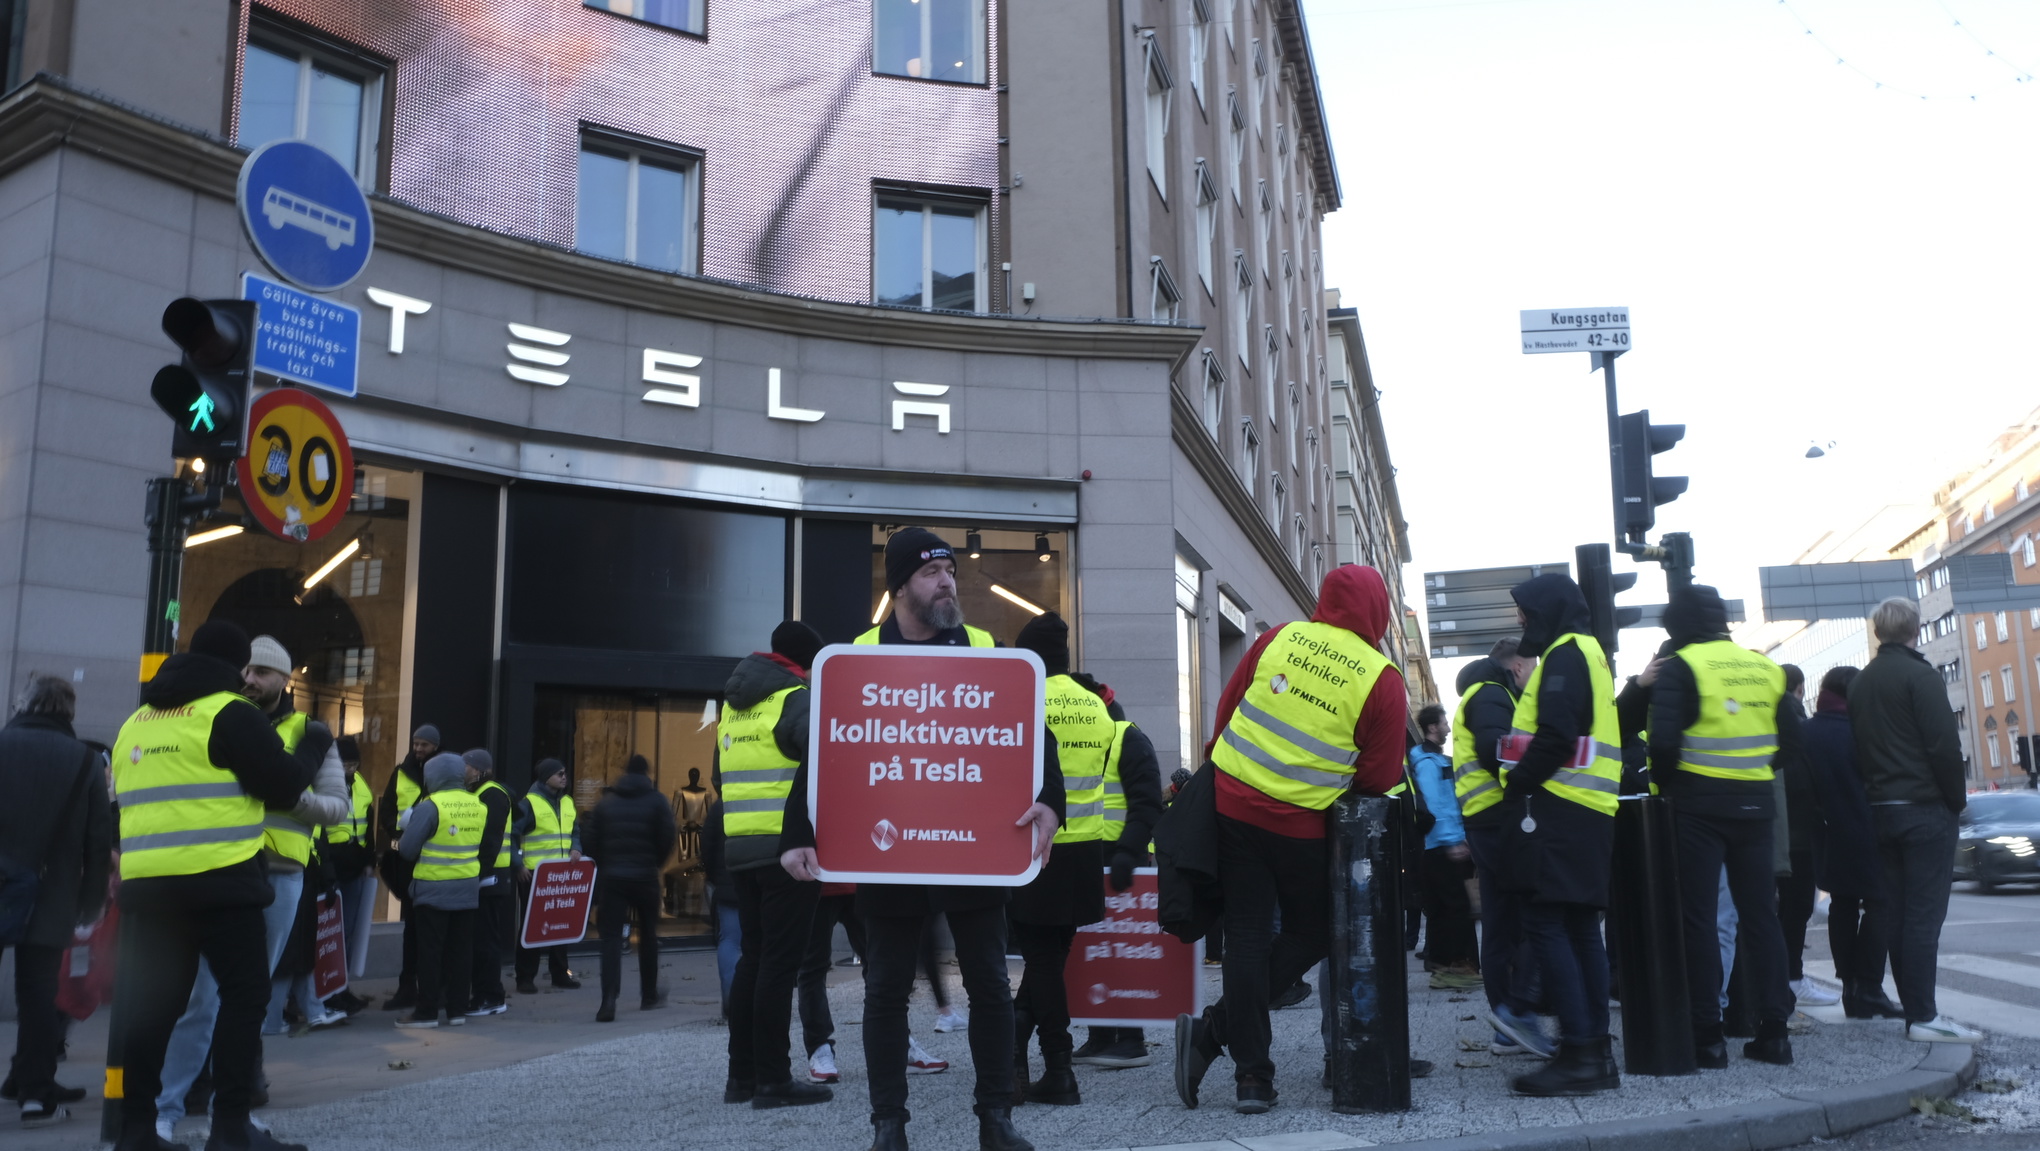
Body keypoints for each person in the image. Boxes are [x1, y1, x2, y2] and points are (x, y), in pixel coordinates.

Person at [781, 527, 1064, 1151]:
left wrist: (1051, 801)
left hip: (974, 846)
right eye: (934, 572)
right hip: (892, 849)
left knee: (988, 983)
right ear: (902, 584)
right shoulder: (857, 655)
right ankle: (889, 1125)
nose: (948, 583)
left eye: (952, 572)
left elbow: (1033, 734)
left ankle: (995, 1117)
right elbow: (825, 754)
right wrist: (798, 832)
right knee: (885, 989)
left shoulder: (986, 647)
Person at [1174, 564, 1407, 1115]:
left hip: (1233, 807)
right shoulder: (1381, 676)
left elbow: (1227, 713)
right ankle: (1212, 1033)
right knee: (1313, 931)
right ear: (1379, 611)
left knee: (1247, 936)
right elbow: (1379, 776)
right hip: (1302, 825)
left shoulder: (1279, 638)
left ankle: (1253, 1078)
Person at [107, 619, 328, 1151]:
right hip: (220, 883)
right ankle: (231, 1126)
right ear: (234, 667)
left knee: (153, 1006)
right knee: (244, 996)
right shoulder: (229, 713)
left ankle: (136, 1131)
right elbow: (283, 783)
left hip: (148, 891)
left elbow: (115, 803)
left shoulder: (136, 721)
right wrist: (313, 752)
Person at [155, 636, 347, 1140]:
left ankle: (229, 1108)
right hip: (220, 871)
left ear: (286, 680)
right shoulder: (217, 717)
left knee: (247, 999)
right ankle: (168, 1109)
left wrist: (282, 796)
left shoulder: (310, 731)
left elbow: (336, 807)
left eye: (263, 672)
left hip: (279, 874)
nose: (251, 679)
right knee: (202, 998)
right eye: (247, 669)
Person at [1010, 613, 1166, 1101]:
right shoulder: (1097, 709)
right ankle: (1020, 1049)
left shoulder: (1026, 700)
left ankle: (1057, 1068)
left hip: (1037, 850)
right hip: (1085, 853)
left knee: (1040, 960)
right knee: (1052, 959)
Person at [1648, 586, 1796, 1069]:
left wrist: (1670, 786)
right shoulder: (1766, 669)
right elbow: (1793, 743)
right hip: (1755, 805)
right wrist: (1753, 772)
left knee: (1700, 918)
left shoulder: (1682, 668)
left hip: (1696, 807)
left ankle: (1707, 1036)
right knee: (1761, 918)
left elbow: (1663, 745)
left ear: (1677, 626)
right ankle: (1774, 1034)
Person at [1498, 574, 1620, 1098]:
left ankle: (1578, 1056)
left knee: (1546, 923)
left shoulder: (1565, 655)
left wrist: (1516, 781)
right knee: (1579, 929)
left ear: (1547, 609)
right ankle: (1595, 1052)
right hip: (1589, 810)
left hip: (1559, 808)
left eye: (1525, 611)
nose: (1522, 620)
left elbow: (1556, 735)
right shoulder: (1589, 652)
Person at [1848, 596, 1979, 1042]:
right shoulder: (1921, 676)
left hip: (1881, 810)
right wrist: (1955, 801)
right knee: (1924, 918)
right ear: (1915, 630)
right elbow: (1943, 745)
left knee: (1899, 916)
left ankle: (1916, 1013)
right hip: (1924, 808)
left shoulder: (1861, 683)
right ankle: (1924, 1017)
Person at [719, 620, 831, 1107]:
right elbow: (824, 764)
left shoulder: (733, 707)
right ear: (807, 665)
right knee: (780, 966)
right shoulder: (796, 699)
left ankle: (740, 1077)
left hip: (741, 849)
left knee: (754, 958)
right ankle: (773, 1079)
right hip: (788, 850)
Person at [0, 675, 112, 1128]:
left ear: (25, 705)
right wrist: (90, 906)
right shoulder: (85, 762)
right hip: (51, 893)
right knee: (39, 996)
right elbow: (96, 842)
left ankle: (24, 1082)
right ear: (69, 712)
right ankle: (34, 1094)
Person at [1453, 639, 1549, 1058]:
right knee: (1531, 918)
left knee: (1501, 923)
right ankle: (1513, 1019)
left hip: (1485, 817)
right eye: (1531, 665)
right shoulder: (1493, 694)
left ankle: (1508, 1027)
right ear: (1516, 664)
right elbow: (1497, 749)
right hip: (1500, 816)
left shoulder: (1482, 694)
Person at [1802, 666, 1902, 1020]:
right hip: (1870, 831)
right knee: (1881, 905)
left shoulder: (1806, 732)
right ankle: (1869, 987)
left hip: (1826, 835)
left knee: (1841, 907)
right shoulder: (1865, 730)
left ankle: (1849, 989)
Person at [584, 753, 678, 1021]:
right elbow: (668, 837)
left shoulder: (607, 803)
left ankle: (608, 1000)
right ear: (647, 773)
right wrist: (654, 864)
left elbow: (591, 839)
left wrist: (606, 863)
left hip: (613, 878)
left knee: (611, 939)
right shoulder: (657, 801)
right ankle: (648, 995)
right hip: (645, 877)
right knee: (648, 935)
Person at [395, 752, 485, 1028]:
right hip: (467, 890)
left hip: (433, 891)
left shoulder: (430, 806)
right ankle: (457, 1010)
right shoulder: (478, 804)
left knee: (430, 954)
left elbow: (408, 851)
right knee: (460, 953)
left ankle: (427, 1012)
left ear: (433, 777)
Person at [1772, 665, 1834, 1007]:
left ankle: (1782, 978)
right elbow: (1802, 778)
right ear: (1798, 690)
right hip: (1797, 833)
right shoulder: (1794, 721)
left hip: (1771, 830)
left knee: (1772, 912)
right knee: (1795, 911)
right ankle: (1791, 979)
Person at [1409, 704, 1478, 990]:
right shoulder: (1428, 762)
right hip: (1441, 844)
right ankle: (1456, 967)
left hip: (1435, 844)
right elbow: (1436, 805)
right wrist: (1453, 841)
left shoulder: (1429, 759)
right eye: (1444, 723)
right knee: (1456, 907)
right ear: (1432, 727)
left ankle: (1442, 967)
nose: (1448, 728)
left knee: (1442, 909)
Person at [377, 725, 440, 1011]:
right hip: (406, 856)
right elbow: (388, 807)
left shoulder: (442, 775)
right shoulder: (400, 771)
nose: (418, 749)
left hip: (430, 858)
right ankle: (407, 987)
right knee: (411, 929)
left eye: (424, 745)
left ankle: (430, 988)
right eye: (416, 743)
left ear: (435, 747)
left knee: (427, 930)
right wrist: (397, 834)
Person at [512, 759, 582, 994]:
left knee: (561, 925)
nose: (564, 777)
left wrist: (577, 847)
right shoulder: (529, 804)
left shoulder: (567, 802)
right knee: (533, 926)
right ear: (545, 777)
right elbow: (511, 835)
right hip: (534, 875)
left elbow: (575, 831)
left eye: (565, 773)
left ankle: (560, 974)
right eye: (559, 774)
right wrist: (518, 865)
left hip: (561, 875)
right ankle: (525, 977)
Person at [462, 749, 514, 1017]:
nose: (463, 770)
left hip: (490, 877)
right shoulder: (479, 793)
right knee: (480, 938)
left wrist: (478, 873)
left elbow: (491, 839)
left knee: (485, 940)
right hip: (487, 875)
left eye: (467, 766)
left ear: (479, 770)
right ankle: (484, 993)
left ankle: (491, 996)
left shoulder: (492, 794)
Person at [323, 736, 377, 991]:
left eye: (354, 764)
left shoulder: (362, 786)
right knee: (327, 931)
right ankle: (324, 988)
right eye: (346, 764)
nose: (350, 769)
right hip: (329, 863)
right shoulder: (324, 784)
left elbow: (368, 827)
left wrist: (369, 861)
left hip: (354, 865)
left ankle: (340, 987)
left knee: (347, 930)